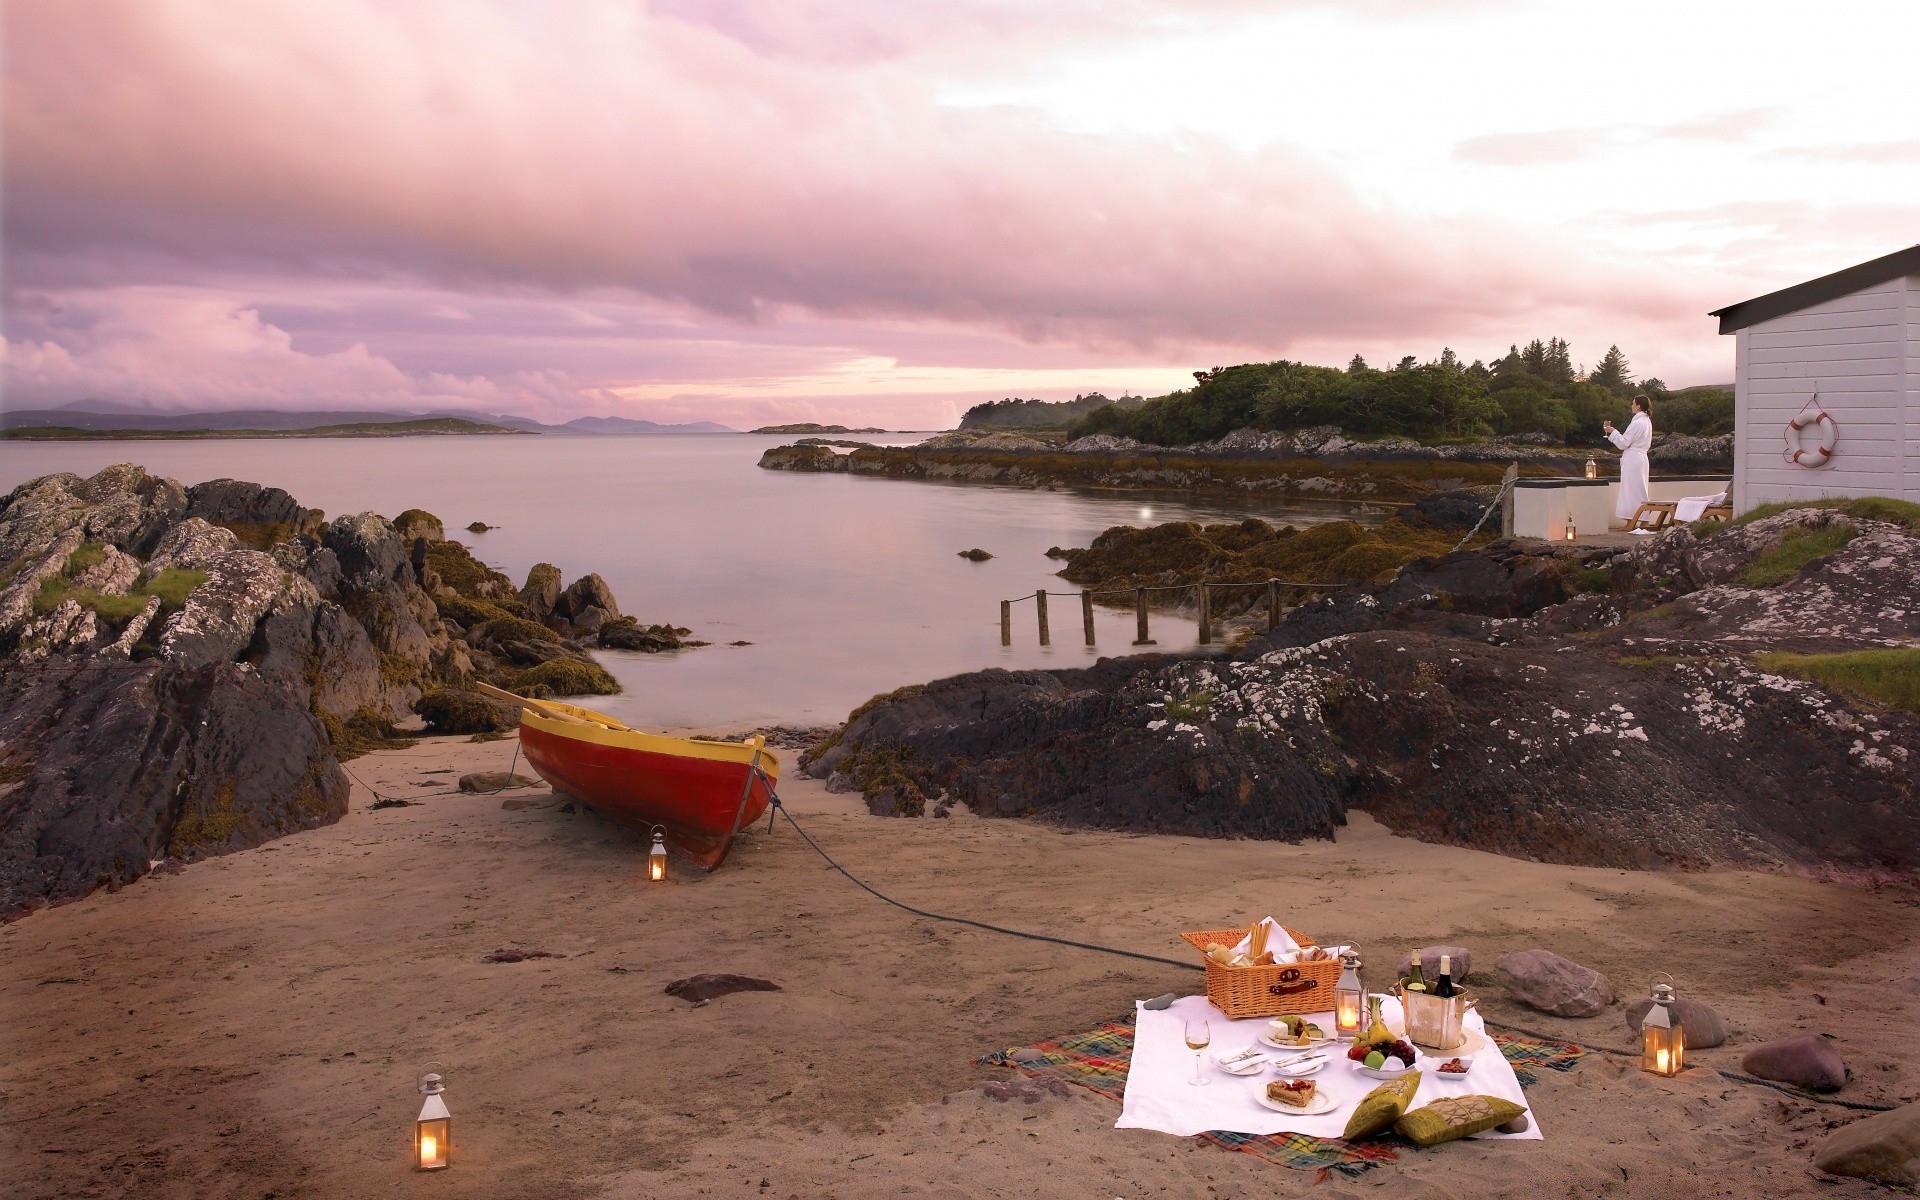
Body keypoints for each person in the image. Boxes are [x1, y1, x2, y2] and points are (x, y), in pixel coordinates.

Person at [1604, 396, 1653, 524]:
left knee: (1632, 489)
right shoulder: (1646, 421)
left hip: (1633, 459)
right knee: (1637, 488)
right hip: (1641, 458)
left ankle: (1639, 520)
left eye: (1633, 403)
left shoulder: (1637, 423)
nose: (1631, 406)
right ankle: (1634, 519)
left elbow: (1624, 443)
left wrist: (1613, 431)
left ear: (1638, 406)